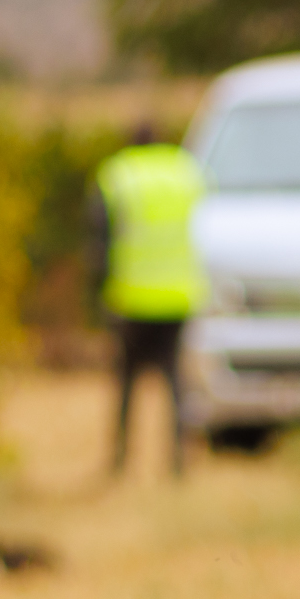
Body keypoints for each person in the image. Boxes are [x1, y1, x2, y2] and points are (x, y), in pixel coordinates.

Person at [90, 121, 206, 476]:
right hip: (178, 295)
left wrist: (97, 293)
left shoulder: (118, 175)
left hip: (131, 297)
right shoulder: (184, 171)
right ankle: (178, 461)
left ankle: (121, 460)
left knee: (127, 382)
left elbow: (97, 239)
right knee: (174, 381)